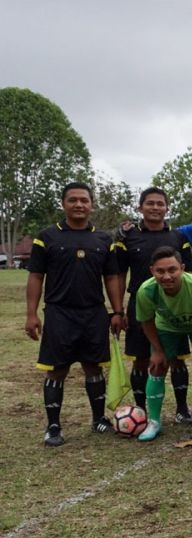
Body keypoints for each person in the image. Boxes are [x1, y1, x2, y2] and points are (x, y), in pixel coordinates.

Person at [26, 182, 125, 446]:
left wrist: (117, 311)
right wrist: (31, 314)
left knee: (93, 367)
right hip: (59, 313)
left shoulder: (104, 240)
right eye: (73, 200)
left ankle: (98, 419)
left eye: (84, 200)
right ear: (64, 203)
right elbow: (36, 276)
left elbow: (112, 277)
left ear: (92, 205)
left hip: (94, 313)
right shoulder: (46, 236)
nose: (79, 204)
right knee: (57, 370)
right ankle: (54, 426)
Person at [114, 187, 192, 422]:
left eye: (160, 204)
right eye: (150, 203)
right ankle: (141, 410)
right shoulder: (127, 237)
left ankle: (182, 409)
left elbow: (188, 274)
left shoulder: (179, 238)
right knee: (141, 359)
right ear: (140, 208)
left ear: (167, 208)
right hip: (139, 306)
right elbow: (118, 275)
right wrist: (119, 310)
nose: (155, 208)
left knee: (176, 357)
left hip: (174, 307)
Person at [134, 247, 192, 441]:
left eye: (172, 270)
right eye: (160, 271)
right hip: (167, 327)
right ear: (152, 271)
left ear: (182, 268)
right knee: (157, 367)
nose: (167, 276)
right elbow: (146, 320)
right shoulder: (146, 291)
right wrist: (157, 351)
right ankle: (154, 422)